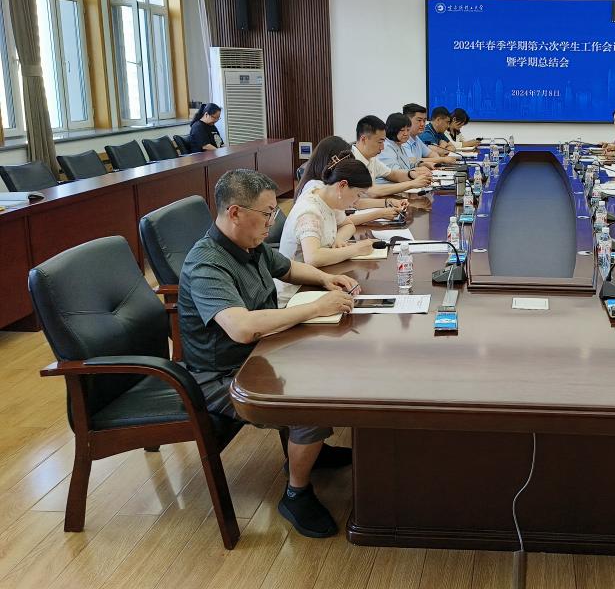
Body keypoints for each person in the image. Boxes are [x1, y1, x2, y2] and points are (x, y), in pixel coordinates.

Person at [177, 169, 361, 539]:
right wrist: (315, 308)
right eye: (267, 214)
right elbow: (242, 328)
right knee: (310, 401)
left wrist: (325, 279)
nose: (272, 222)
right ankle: (296, 494)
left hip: (260, 351)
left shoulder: (250, 244)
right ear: (234, 213)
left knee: (334, 362)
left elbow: (288, 268)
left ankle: (312, 448)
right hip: (223, 375)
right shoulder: (207, 264)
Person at [275, 156, 380, 305]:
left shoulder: (329, 198)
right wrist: (355, 250)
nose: (357, 201)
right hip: (296, 293)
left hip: (321, 279)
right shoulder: (309, 211)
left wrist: (339, 239)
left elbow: (348, 224)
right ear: (342, 185)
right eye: (358, 194)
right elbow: (313, 257)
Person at [350, 115, 432, 194]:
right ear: (364, 139)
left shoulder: (372, 159)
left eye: (408, 130)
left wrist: (412, 174)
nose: (382, 147)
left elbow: (392, 174)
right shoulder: (351, 161)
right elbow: (372, 191)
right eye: (380, 142)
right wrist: (412, 183)